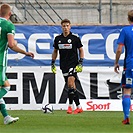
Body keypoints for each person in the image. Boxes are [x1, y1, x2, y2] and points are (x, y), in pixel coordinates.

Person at [0, 4, 34, 124]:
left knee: (4, 86)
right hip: (0, 61)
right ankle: (6, 117)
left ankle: (6, 117)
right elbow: (11, 44)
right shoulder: (8, 25)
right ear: (9, 14)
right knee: (5, 86)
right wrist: (24, 52)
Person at [51, 19, 84, 114]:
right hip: (63, 64)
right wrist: (52, 63)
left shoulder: (75, 38)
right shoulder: (58, 39)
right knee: (72, 86)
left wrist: (81, 62)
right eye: (64, 26)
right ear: (61, 27)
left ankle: (70, 106)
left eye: (67, 26)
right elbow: (55, 51)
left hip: (73, 64)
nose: (65, 28)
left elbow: (81, 50)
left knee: (70, 83)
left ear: (70, 27)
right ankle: (79, 107)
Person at [114, 10, 133, 125]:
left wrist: (116, 62)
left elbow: (119, 49)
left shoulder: (125, 31)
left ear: (128, 19)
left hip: (130, 65)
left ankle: (126, 117)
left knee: (127, 91)